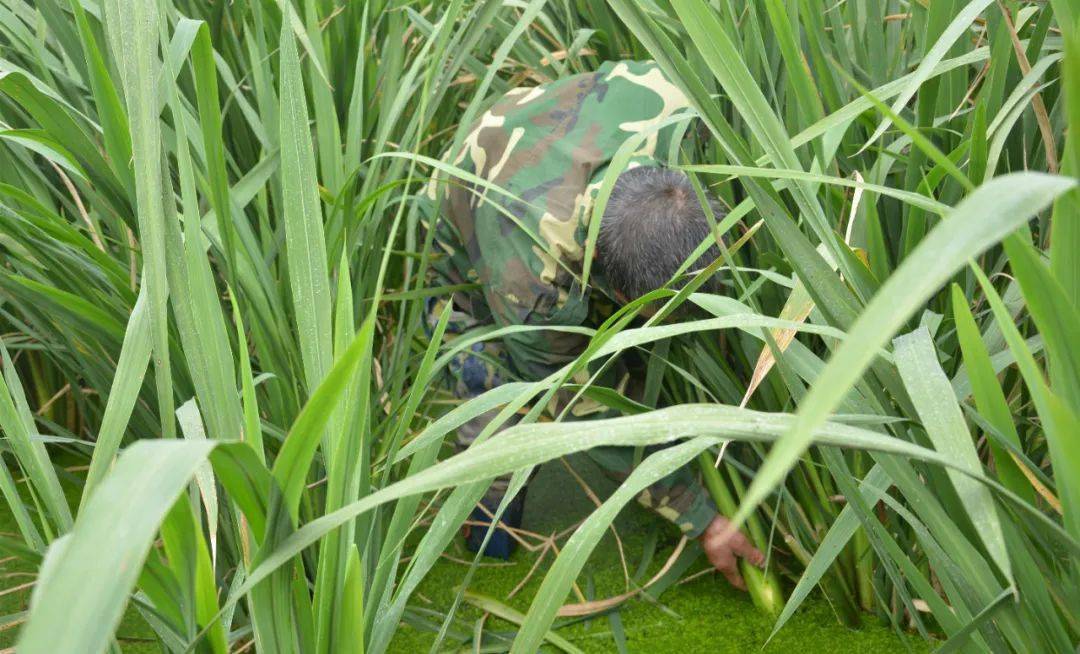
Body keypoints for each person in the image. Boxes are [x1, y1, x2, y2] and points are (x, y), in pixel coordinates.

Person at [424, 60, 764, 589]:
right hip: (469, 236)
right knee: (498, 418)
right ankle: (487, 550)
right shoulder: (529, 279)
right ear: (618, 291)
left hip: (554, 142)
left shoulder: (678, 104)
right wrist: (701, 516)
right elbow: (584, 407)